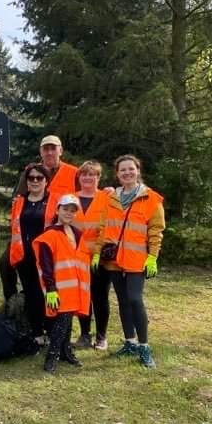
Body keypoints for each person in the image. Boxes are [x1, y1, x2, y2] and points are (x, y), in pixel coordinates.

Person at [92, 154, 165, 368]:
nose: (127, 173)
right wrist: (97, 252)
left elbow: (156, 231)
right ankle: (130, 342)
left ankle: (144, 347)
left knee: (134, 299)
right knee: (123, 301)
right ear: (117, 174)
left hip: (136, 259)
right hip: (113, 259)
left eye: (130, 169)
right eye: (122, 170)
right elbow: (104, 228)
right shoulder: (111, 198)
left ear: (138, 171)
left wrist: (152, 257)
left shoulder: (151, 198)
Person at [2, 135, 79, 299]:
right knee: (5, 263)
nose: (50, 152)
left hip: (58, 234)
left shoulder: (74, 173)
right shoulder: (31, 171)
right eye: (46, 149)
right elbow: (19, 197)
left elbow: (88, 190)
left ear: (61, 151)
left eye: (53, 148)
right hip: (27, 232)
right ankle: (13, 304)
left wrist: (107, 191)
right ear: (41, 152)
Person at [33, 194, 91, 372]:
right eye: (65, 209)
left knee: (67, 321)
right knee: (61, 322)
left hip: (75, 288)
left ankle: (65, 352)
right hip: (58, 288)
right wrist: (50, 288)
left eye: (73, 210)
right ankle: (52, 355)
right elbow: (45, 265)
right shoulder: (49, 235)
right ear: (57, 210)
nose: (69, 213)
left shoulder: (77, 233)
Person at [8, 163, 55, 340]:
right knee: (32, 294)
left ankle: (51, 331)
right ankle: (37, 333)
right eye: (31, 178)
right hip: (24, 256)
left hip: (46, 257)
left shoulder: (54, 200)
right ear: (26, 181)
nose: (35, 181)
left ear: (46, 181)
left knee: (47, 294)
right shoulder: (19, 202)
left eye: (39, 178)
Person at [72, 161, 111, 350]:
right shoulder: (70, 199)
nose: (87, 178)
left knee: (100, 296)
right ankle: (85, 334)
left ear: (98, 177)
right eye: (84, 174)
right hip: (77, 257)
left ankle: (102, 337)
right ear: (79, 178)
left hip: (100, 257)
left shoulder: (108, 197)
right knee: (82, 297)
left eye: (92, 174)